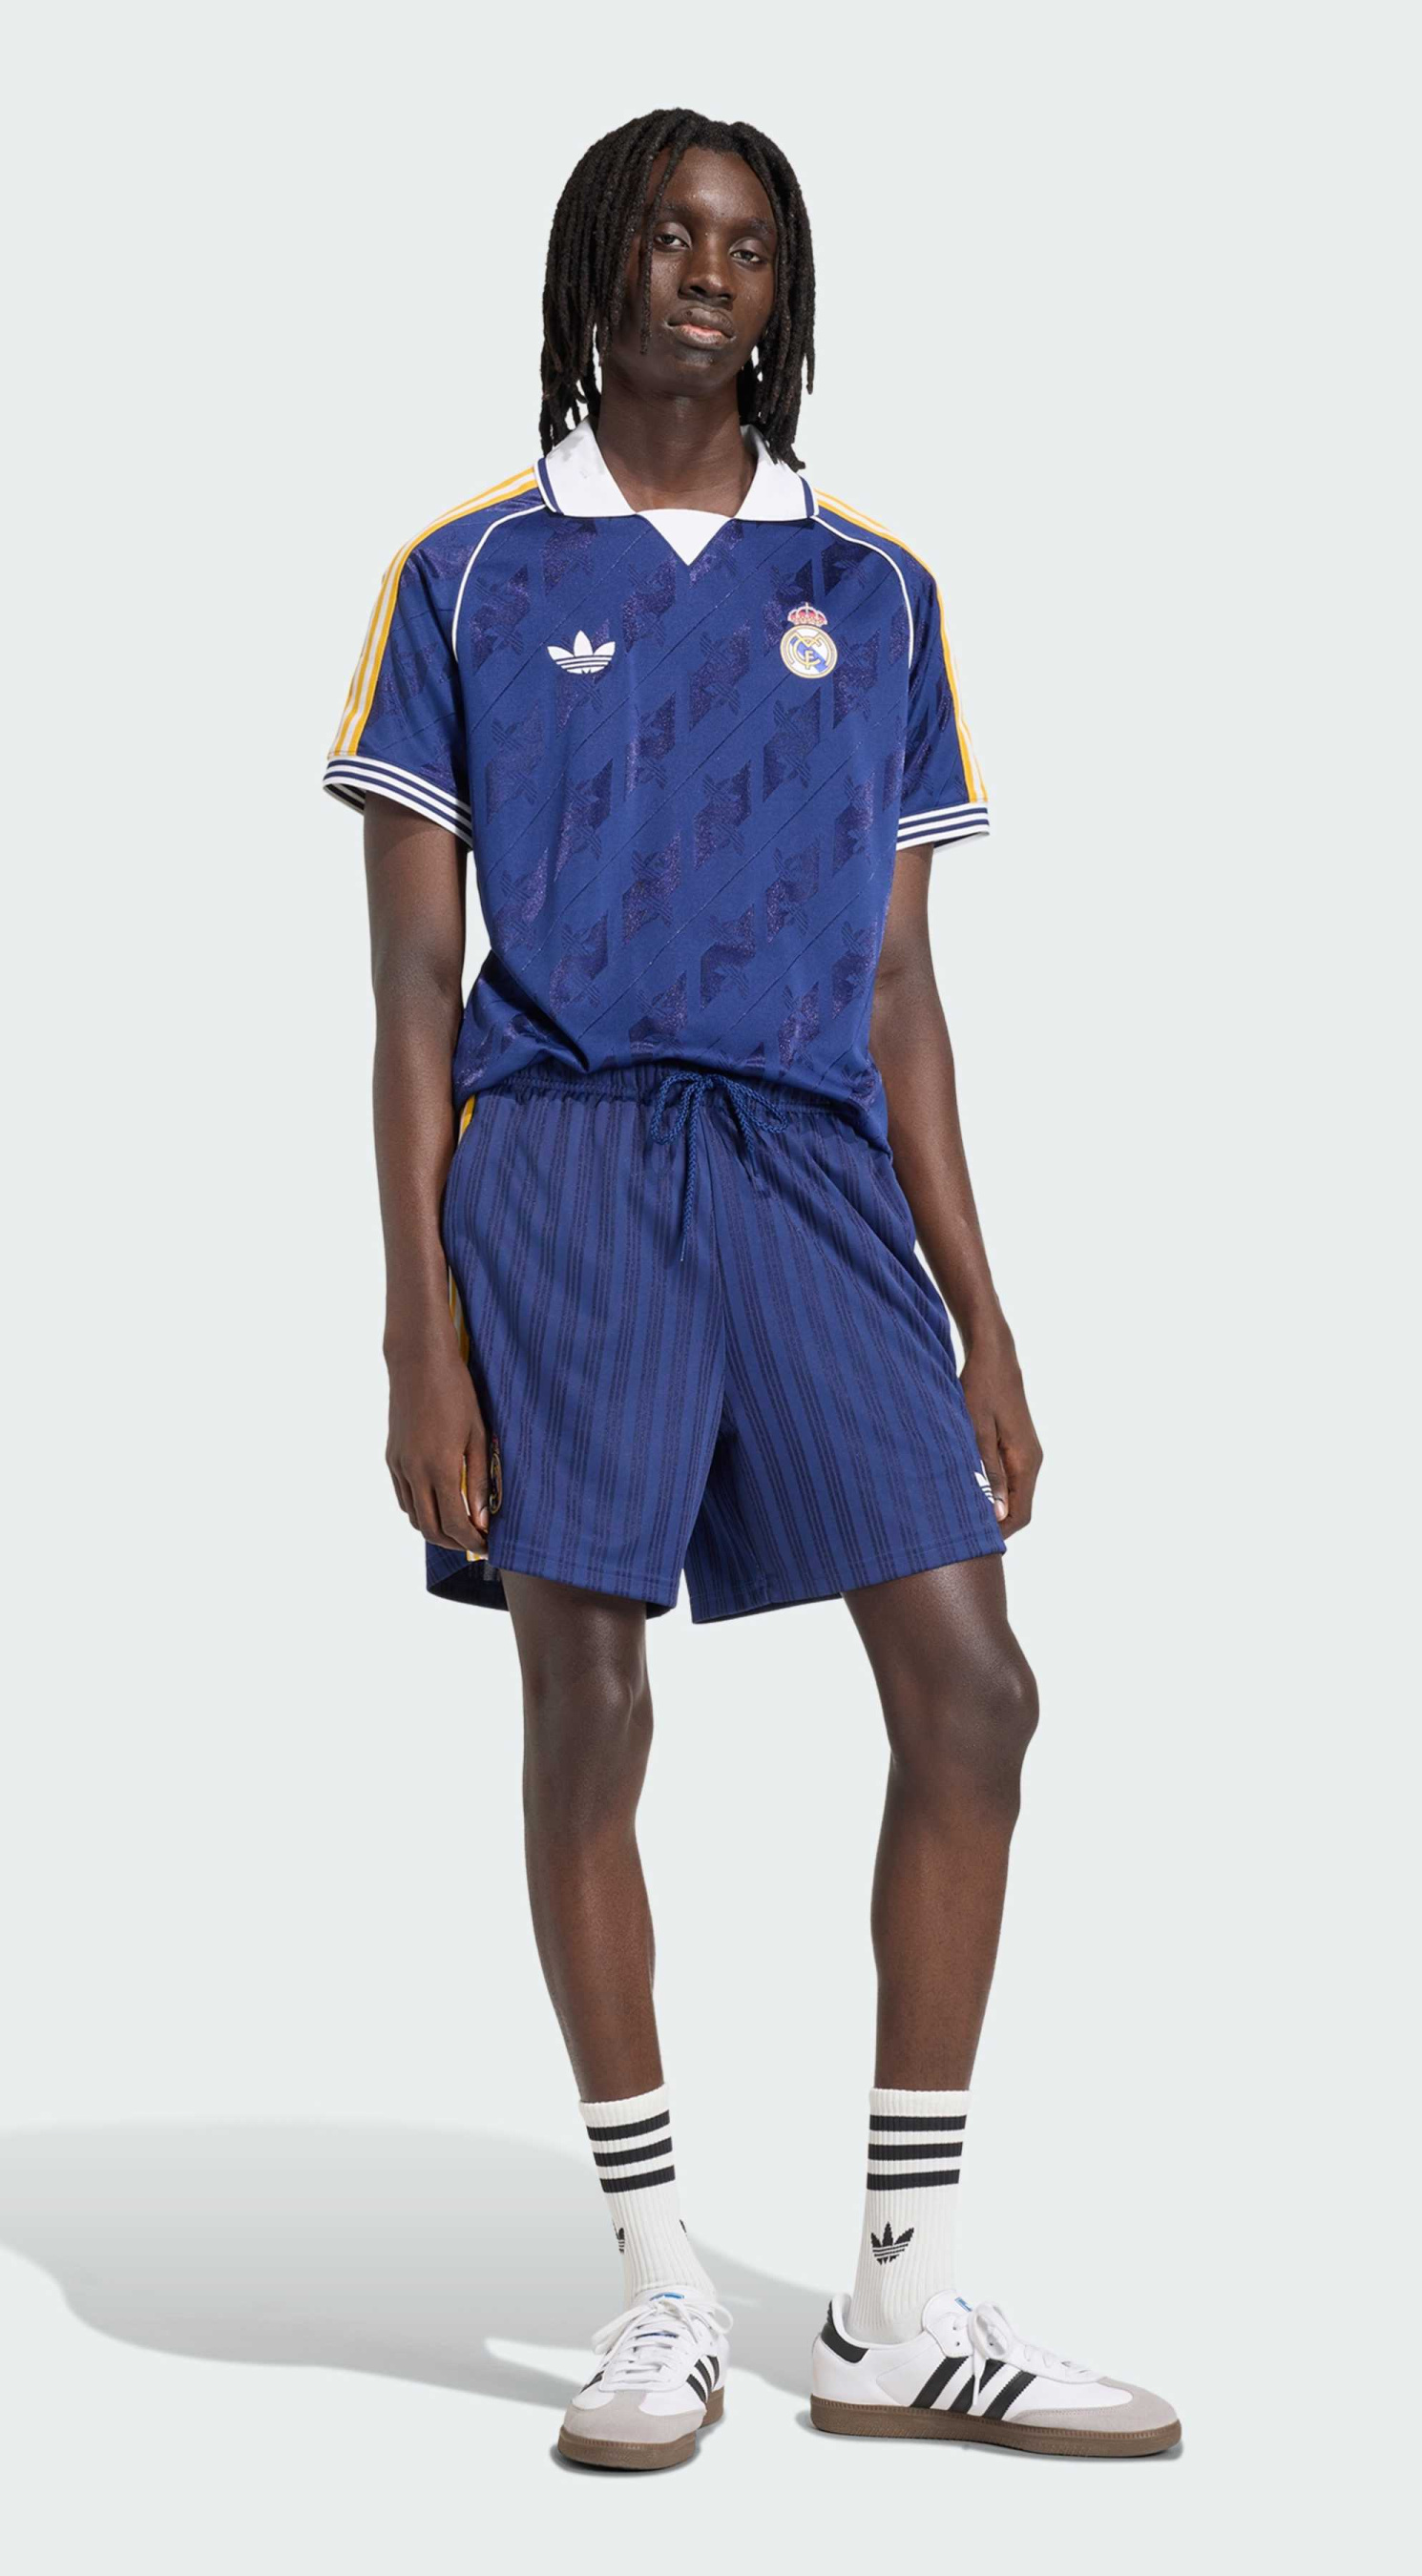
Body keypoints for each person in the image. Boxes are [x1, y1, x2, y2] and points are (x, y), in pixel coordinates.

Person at [326, 108, 1180, 2467]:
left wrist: (979, 1311)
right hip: (563, 1164)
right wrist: (416, 1329)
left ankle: (895, 2298)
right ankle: (656, 2288)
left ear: (782, 296)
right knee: (588, 1708)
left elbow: (899, 988)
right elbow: (406, 994)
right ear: (594, 266)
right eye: (668, 234)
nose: (708, 272)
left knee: (974, 1692)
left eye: (750, 246)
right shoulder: (468, 573)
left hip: (808, 1167)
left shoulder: (875, 592)